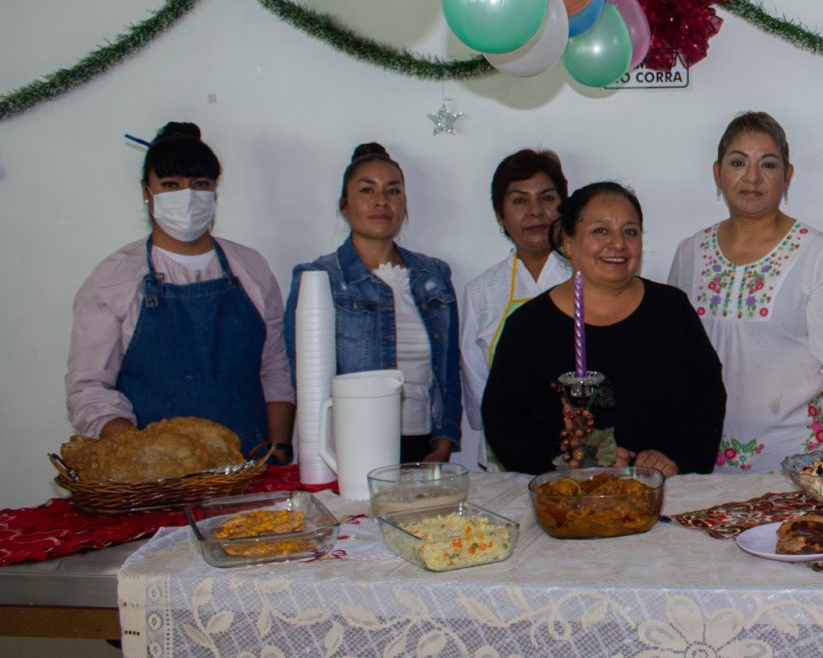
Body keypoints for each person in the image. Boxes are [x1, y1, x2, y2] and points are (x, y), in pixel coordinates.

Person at [66, 122, 294, 458]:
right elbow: (89, 388)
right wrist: (145, 453)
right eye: (171, 185)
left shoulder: (251, 268)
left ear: (214, 191)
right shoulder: (115, 279)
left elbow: (274, 367)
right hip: (155, 478)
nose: (187, 197)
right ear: (147, 191)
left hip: (249, 465)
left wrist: (279, 449)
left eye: (200, 185)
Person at [483, 182, 726, 477]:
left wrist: (675, 457)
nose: (618, 243)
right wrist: (568, 463)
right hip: (567, 500)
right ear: (568, 242)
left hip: (664, 492)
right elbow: (503, 419)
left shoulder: (672, 310)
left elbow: (707, 395)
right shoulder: (529, 326)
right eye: (600, 230)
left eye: (630, 231)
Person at [669, 113, 823, 470]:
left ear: (788, 176)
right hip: (700, 459)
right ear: (717, 173)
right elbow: (673, 361)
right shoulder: (690, 253)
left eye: (768, 164)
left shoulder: (819, 254)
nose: (752, 177)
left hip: (796, 464)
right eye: (738, 162)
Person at [285, 143, 460, 464]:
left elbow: (448, 368)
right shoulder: (318, 278)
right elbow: (304, 380)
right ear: (344, 206)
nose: (382, 200)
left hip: (424, 445)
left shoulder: (434, 275)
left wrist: (445, 438)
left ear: (405, 205)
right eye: (367, 190)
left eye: (393, 191)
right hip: (351, 447)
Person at [459, 148, 572, 468]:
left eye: (547, 198)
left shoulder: (588, 281)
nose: (535, 211)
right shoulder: (481, 292)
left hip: (582, 454)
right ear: (499, 214)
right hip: (505, 456)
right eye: (520, 200)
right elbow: (478, 384)